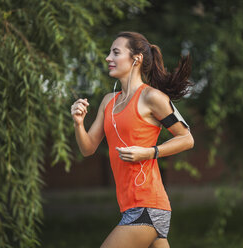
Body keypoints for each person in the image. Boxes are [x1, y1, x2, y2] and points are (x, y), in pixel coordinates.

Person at [71, 31, 194, 248]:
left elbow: (187, 138)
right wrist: (79, 123)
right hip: (130, 206)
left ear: (136, 59)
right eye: (110, 53)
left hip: (148, 205)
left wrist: (148, 152)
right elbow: (88, 148)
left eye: (115, 52)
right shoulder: (109, 101)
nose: (108, 58)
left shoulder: (152, 97)